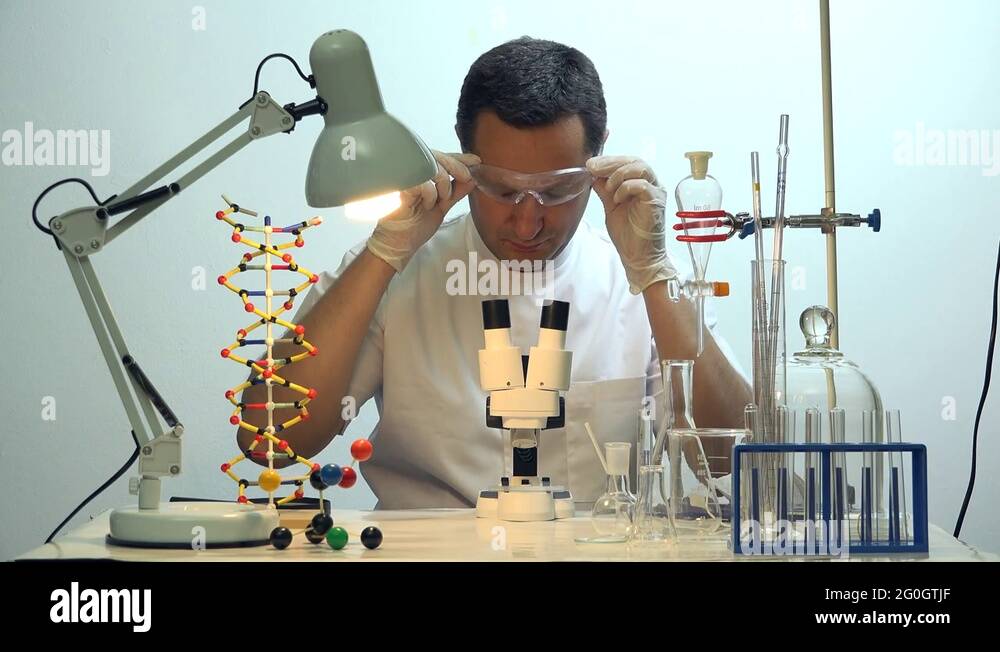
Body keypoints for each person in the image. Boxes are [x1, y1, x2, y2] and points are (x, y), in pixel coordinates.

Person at [237, 36, 752, 507]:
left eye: (555, 190)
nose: (527, 222)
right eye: (502, 190)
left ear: (598, 159)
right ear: (464, 157)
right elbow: (270, 443)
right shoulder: (399, 269)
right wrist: (383, 256)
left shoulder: (634, 284)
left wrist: (656, 275)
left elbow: (730, 458)